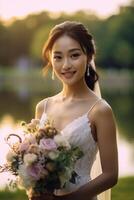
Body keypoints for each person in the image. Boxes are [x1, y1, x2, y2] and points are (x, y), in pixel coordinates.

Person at [30, 21, 118, 200]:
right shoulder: (43, 107)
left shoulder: (100, 110)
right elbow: (37, 165)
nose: (66, 65)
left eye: (74, 55)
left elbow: (110, 175)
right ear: (50, 58)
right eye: (58, 57)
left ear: (89, 56)